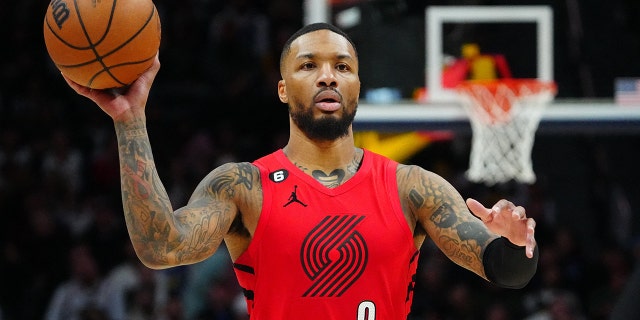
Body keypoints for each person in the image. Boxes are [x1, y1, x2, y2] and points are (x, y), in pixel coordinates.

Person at [63, 22, 538, 319]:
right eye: (308, 65)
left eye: (342, 66)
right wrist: (129, 122)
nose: (328, 75)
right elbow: (161, 247)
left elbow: (504, 270)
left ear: (356, 86)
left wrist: (516, 245)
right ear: (283, 89)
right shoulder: (242, 186)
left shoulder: (411, 187)